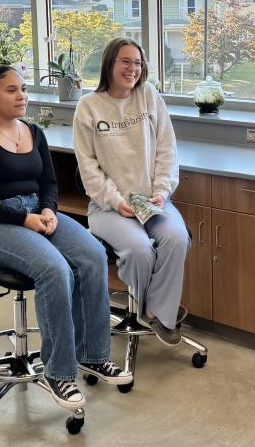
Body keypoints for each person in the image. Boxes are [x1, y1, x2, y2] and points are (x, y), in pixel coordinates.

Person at [0, 65, 132, 410]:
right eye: (11, 90)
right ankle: (59, 372)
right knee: (55, 270)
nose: (21, 96)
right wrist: (23, 219)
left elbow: (49, 183)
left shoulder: (34, 132)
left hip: (38, 212)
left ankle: (93, 355)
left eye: (23, 89)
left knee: (93, 254)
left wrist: (49, 210)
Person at [73, 37, 187, 346]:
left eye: (137, 63)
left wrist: (162, 191)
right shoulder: (89, 106)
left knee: (177, 238)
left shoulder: (148, 95)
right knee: (139, 251)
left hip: (151, 200)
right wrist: (115, 200)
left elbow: (167, 150)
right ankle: (157, 310)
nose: (132, 68)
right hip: (108, 207)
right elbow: (88, 167)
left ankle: (153, 313)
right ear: (109, 63)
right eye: (125, 61)